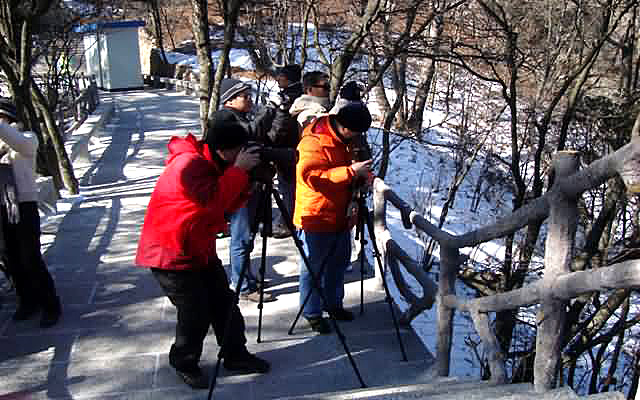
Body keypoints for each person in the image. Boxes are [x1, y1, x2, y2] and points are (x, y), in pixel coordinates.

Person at [135, 121, 270, 389]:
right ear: (222, 151)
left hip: (199, 247)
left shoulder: (213, 164)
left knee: (223, 302)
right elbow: (212, 201)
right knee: (195, 311)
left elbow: (223, 209)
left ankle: (235, 354)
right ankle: (184, 362)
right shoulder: (190, 165)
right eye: (239, 151)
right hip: (171, 251)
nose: (244, 155)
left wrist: (247, 183)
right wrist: (239, 171)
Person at [293, 101, 373, 334]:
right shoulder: (313, 142)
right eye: (356, 133)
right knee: (313, 267)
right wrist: (350, 172)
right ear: (346, 128)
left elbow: (352, 167)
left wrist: (362, 176)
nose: (358, 138)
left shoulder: (347, 141)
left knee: (339, 263)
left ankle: (333, 304)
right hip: (316, 214)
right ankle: (312, 312)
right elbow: (311, 177)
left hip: (341, 213)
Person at [208, 78, 278, 302]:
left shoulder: (236, 116)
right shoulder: (224, 118)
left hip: (246, 182)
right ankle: (243, 285)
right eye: (244, 96)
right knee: (241, 237)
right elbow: (249, 132)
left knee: (246, 235)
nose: (249, 100)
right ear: (229, 100)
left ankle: (246, 277)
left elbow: (260, 135)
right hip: (238, 184)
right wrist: (269, 109)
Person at [0, 98, 61, 328]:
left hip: (23, 207)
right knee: (11, 259)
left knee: (30, 258)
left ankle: (50, 304)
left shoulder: (26, 140)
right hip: (2, 209)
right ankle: (27, 301)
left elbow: (15, 140)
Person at [269, 65, 304, 239]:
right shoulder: (302, 94)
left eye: (281, 76)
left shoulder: (288, 99)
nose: (277, 79)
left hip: (287, 149)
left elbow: (281, 126)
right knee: (291, 187)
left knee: (288, 187)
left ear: (288, 78)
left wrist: (269, 144)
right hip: (297, 148)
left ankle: (288, 222)